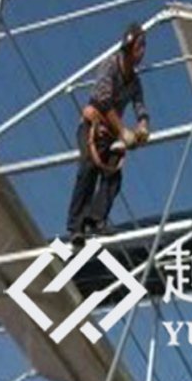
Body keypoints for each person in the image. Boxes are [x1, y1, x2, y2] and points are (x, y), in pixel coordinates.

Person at [66, 21, 150, 245]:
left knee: (114, 173)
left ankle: (96, 219)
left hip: (111, 132)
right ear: (129, 47)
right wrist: (123, 131)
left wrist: (143, 126)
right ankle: (76, 226)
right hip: (92, 127)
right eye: (139, 46)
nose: (142, 52)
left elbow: (140, 106)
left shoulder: (135, 81)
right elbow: (103, 101)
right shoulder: (110, 66)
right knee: (88, 167)